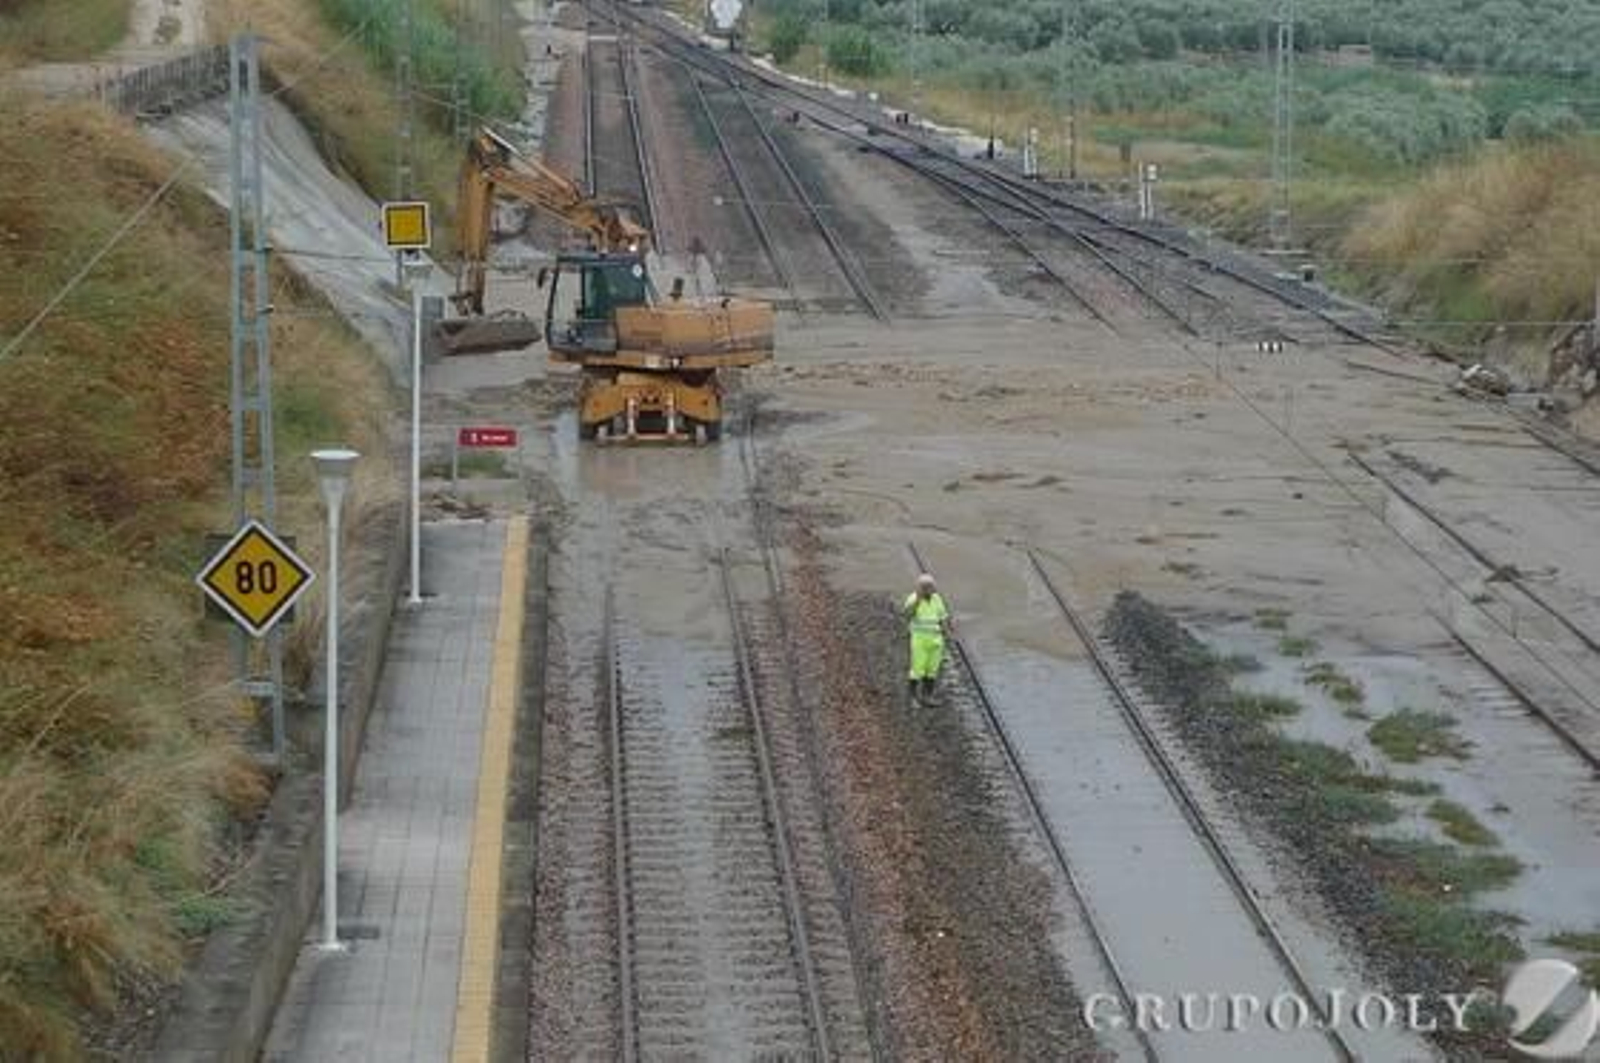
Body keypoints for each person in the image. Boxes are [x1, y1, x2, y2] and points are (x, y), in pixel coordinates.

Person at [902, 573, 952, 702]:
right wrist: (918, 600)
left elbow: (943, 617)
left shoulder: (937, 599)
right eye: (925, 587)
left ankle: (927, 696)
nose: (929, 589)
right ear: (919, 588)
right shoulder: (913, 599)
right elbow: (907, 614)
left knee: (932, 670)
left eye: (931, 587)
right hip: (920, 640)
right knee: (917, 669)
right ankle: (913, 698)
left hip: (936, 641)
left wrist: (947, 634)